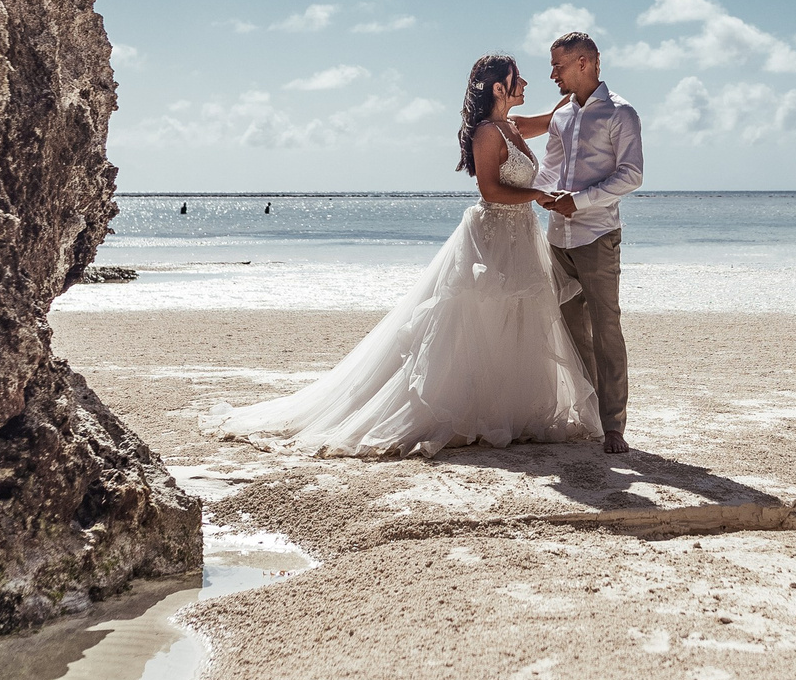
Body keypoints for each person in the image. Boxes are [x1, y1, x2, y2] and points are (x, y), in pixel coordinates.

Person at [213, 54, 597, 457]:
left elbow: (553, 118)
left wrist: (576, 86)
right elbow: (490, 190)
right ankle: (465, 411)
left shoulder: (513, 126)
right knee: (478, 319)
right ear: (499, 88)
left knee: (514, 319)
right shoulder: (487, 133)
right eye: (517, 79)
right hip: (492, 237)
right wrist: (537, 194)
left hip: (520, 236)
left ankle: (507, 411)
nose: (526, 84)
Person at [527, 30, 644, 455]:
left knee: (606, 330)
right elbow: (550, 168)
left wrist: (578, 201)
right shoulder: (561, 117)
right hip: (557, 237)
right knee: (572, 330)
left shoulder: (621, 113)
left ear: (584, 62)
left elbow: (632, 175)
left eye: (557, 66)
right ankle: (590, 414)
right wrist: (533, 194)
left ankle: (613, 426)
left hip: (597, 236)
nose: (552, 75)